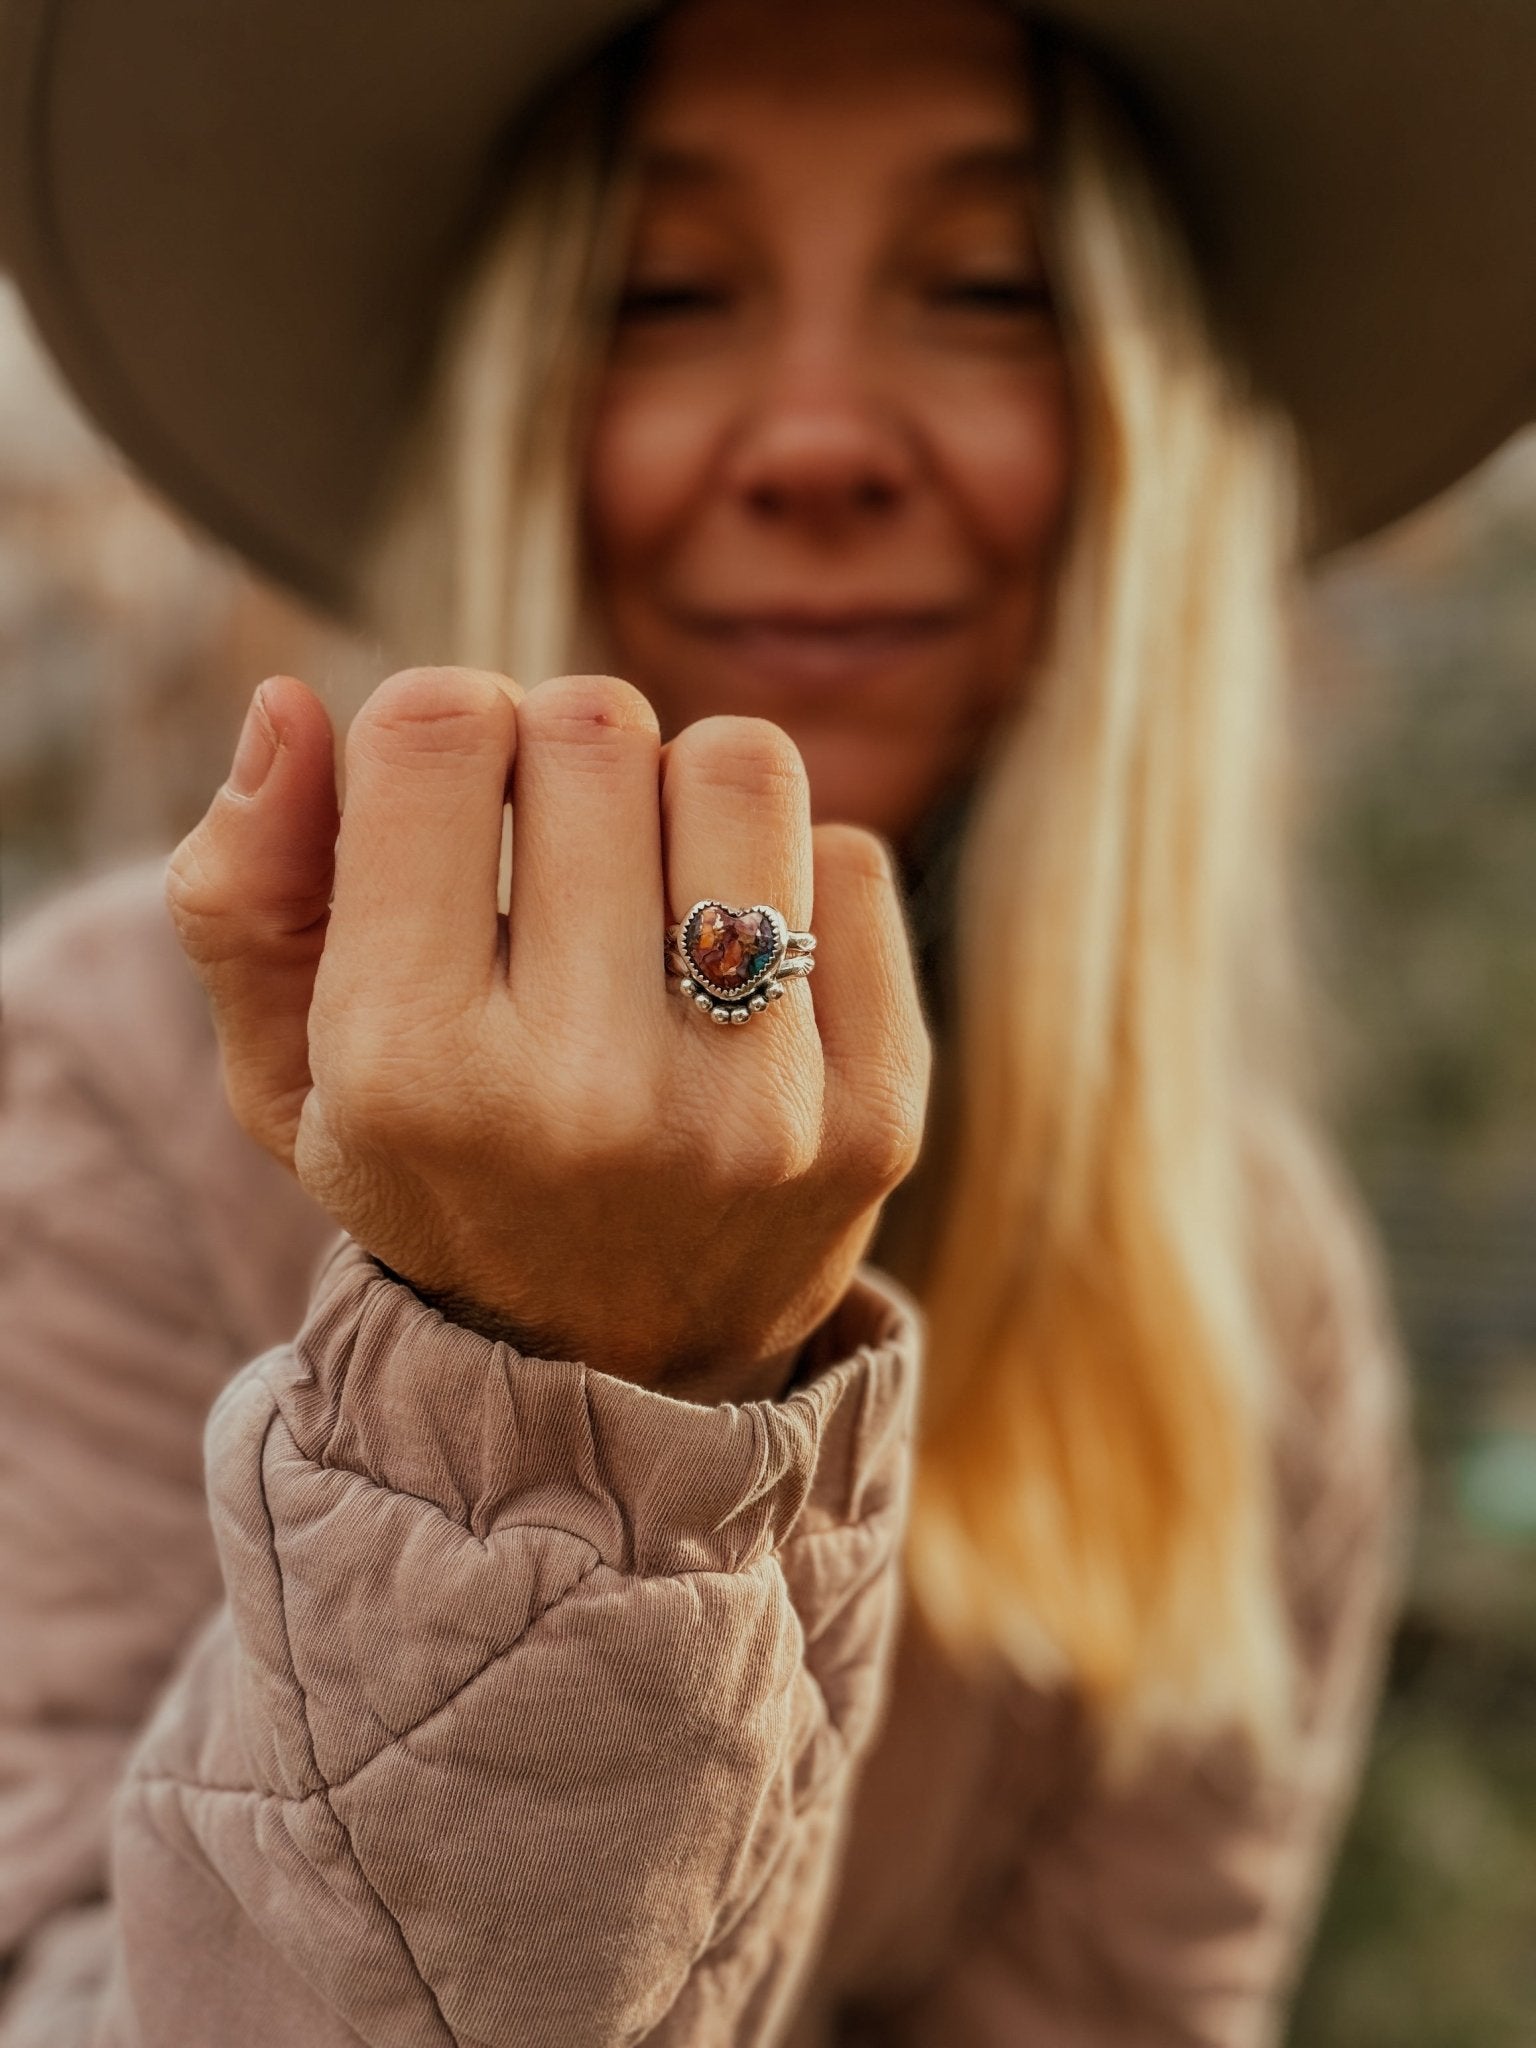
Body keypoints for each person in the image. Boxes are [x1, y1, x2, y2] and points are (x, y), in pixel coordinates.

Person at [1, 0, 1532, 2041]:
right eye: (666, 297)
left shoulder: (1255, 1313)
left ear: (1135, 437)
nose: (818, 441)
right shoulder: (103, 1094)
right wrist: (544, 1403)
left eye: (985, 293)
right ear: (518, 417)